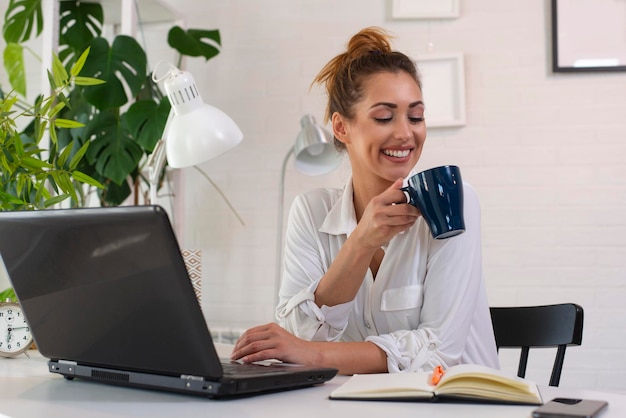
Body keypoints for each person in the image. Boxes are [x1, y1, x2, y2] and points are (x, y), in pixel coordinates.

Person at [231, 26, 499, 375]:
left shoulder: (452, 201)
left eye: (416, 116)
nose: (406, 132)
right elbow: (302, 334)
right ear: (341, 128)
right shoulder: (311, 213)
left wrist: (313, 356)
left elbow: (438, 353)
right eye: (384, 117)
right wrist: (360, 243)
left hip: (461, 406)